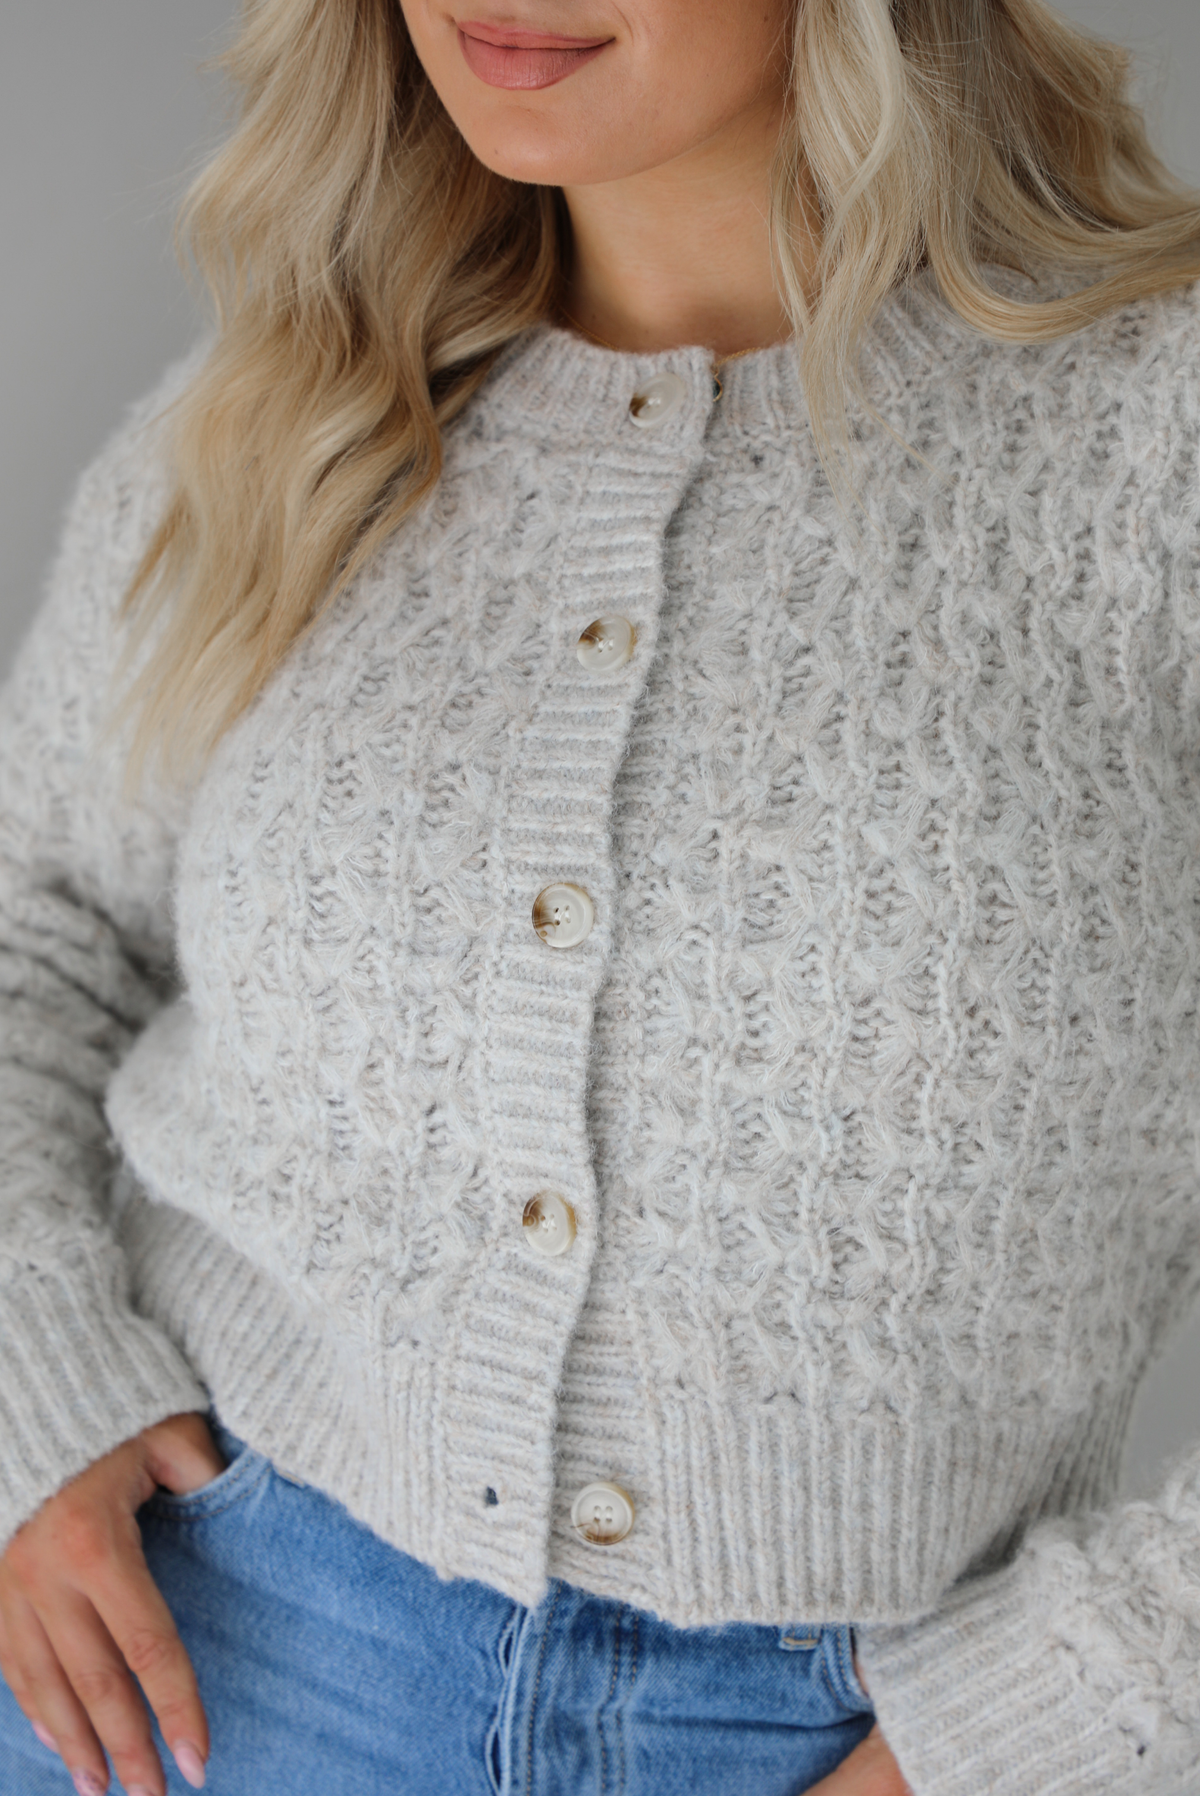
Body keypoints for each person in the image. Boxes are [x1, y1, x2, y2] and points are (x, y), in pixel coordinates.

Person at [2, 0, 1200, 1791]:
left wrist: (1079, 1709)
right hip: (186, 1670)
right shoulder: (288, 422)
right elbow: (35, 931)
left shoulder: (1155, 448)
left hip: (858, 1735)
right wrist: (35, 1388)